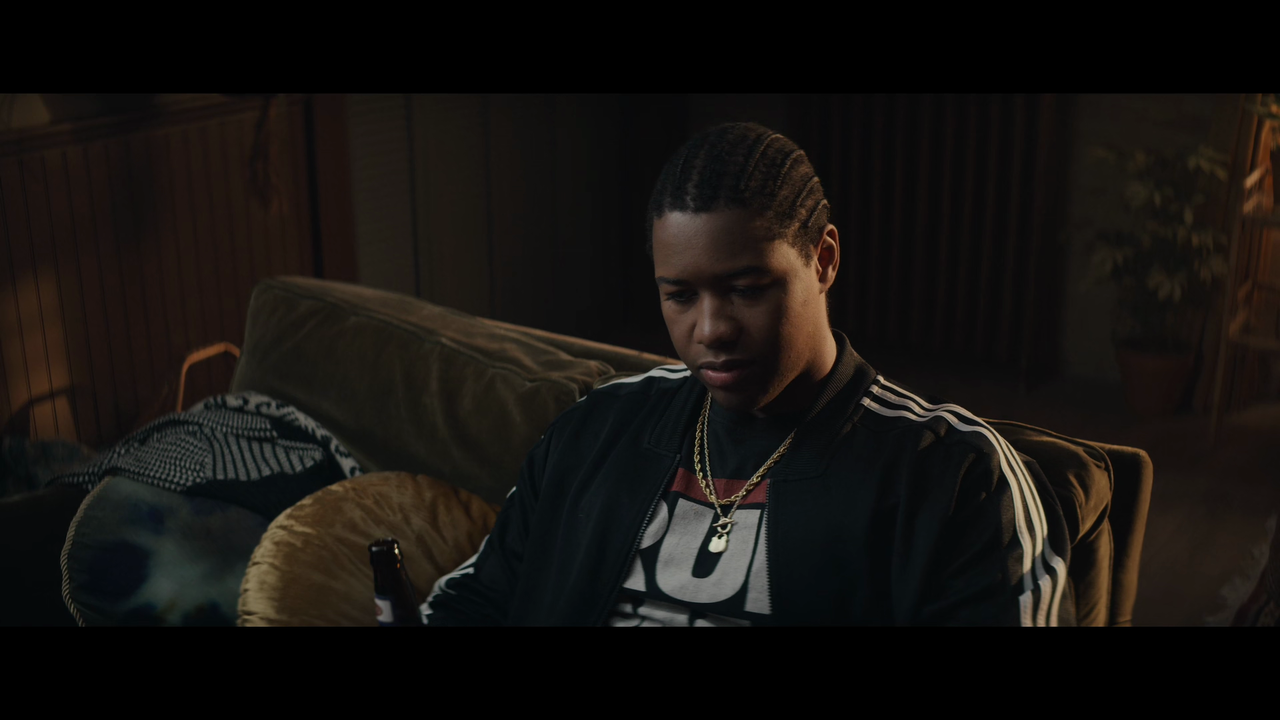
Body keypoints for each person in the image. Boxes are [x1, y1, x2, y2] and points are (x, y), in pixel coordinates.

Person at [421, 122, 1075, 626]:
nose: (710, 330)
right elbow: (471, 603)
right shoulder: (594, 432)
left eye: (746, 288)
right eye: (680, 296)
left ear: (823, 260)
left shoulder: (955, 475)